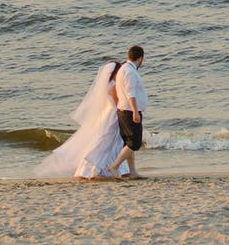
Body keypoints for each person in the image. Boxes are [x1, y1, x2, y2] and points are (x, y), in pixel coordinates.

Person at [33, 49, 146, 180]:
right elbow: (117, 100)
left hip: (111, 114)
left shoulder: (111, 83)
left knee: (117, 143)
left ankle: (118, 169)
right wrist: (128, 109)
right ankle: (108, 168)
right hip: (114, 115)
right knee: (111, 143)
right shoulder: (113, 85)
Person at [109, 45, 148, 179]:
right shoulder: (130, 72)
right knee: (134, 143)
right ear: (140, 58)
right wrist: (135, 112)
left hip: (124, 110)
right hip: (129, 111)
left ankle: (132, 172)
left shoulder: (124, 69)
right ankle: (114, 166)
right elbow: (130, 93)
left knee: (129, 143)